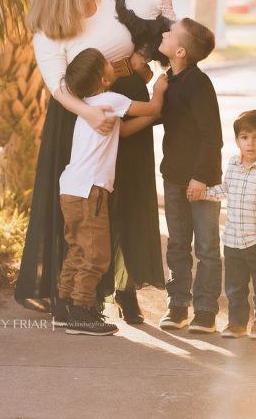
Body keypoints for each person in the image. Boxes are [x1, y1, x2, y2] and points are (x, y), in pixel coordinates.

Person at [15, 0, 165, 325]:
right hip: (80, 117)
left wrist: (141, 62)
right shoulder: (49, 26)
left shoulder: (113, 1)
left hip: (126, 97)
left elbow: (150, 28)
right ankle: (84, 298)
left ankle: (125, 288)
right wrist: (91, 114)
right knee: (90, 207)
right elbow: (58, 85)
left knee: (128, 195)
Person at [55, 48, 167, 335]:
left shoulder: (91, 105)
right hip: (91, 190)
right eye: (107, 63)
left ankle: (64, 305)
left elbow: (125, 131)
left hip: (70, 188)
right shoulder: (111, 99)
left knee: (78, 250)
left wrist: (156, 116)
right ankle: (81, 312)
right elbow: (152, 108)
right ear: (104, 80)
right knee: (96, 255)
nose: (113, 63)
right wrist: (159, 88)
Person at [189, 110, 256, 340]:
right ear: (237, 141)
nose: (250, 143)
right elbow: (225, 189)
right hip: (233, 240)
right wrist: (204, 194)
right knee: (235, 286)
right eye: (245, 137)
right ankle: (237, 323)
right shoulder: (233, 164)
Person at [156, 18, 223, 333]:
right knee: (177, 245)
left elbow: (213, 137)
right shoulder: (170, 80)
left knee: (207, 247)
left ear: (180, 51)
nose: (164, 34)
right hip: (174, 178)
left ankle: (206, 310)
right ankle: (177, 306)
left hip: (204, 180)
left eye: (170, 34)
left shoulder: (198, 83)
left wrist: (200, 177)